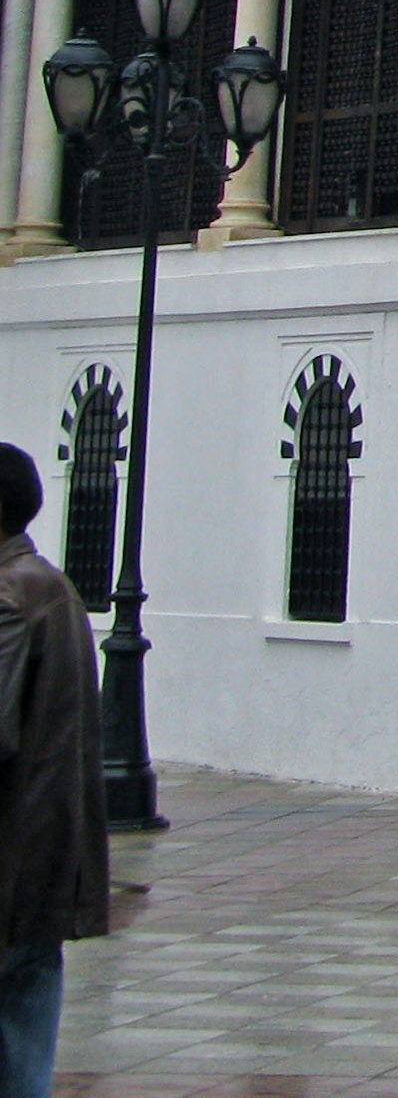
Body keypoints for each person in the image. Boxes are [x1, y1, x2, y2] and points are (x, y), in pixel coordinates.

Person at [0, 442, 108, 1098]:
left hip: (11, 858)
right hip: (43, 865)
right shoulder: (54, 587)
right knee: (24, 1044)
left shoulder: (12, 593)